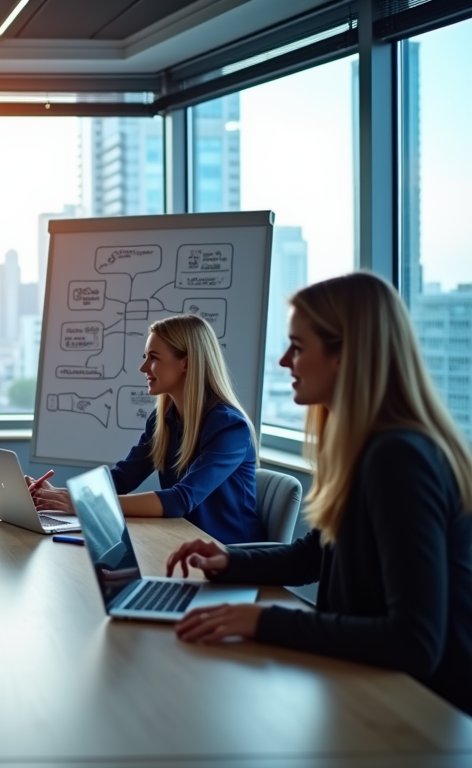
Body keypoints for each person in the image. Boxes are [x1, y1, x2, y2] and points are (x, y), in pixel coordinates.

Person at [167, 272, 472, 716]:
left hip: (422, 711)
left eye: (299, 347)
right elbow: (316, 554)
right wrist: (229, 560)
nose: (284, 361)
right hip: (367, 687)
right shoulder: (362, 444)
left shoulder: (399, 458)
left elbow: (414, 641)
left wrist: (263, 621)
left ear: (345, 356)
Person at [31, 314, 262, 544]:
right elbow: (122, 479)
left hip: (229, 557)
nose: (143, 367)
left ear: (186, 362)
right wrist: (59, 495)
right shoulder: (163, 420)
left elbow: (180, 500)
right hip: (182, 543)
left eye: (153, 358)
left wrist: (86, 504)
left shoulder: (229, 427)